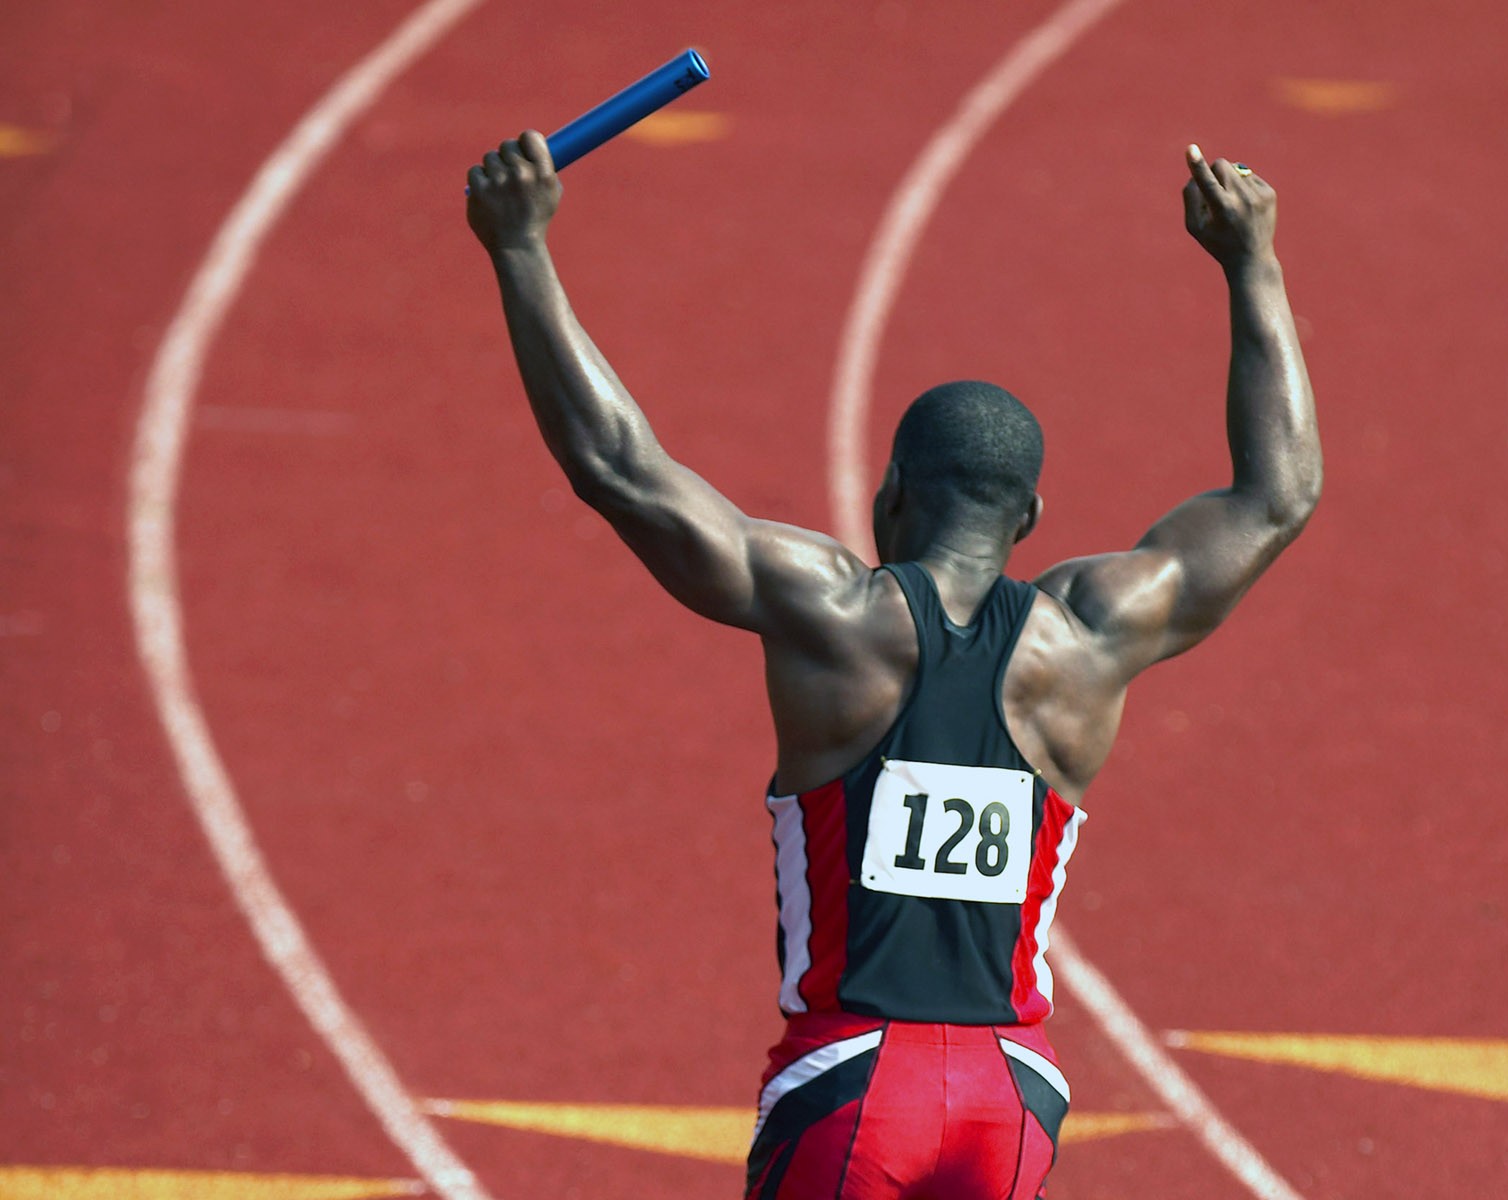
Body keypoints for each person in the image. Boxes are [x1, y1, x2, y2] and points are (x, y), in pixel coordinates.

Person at [466, 130, 1321, 1200]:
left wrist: (520, 249)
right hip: (1014, 1091)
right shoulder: (1094, 635)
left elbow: (619, 468)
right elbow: (1274, 498)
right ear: (1033, 516)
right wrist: (1254, 262)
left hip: (851, 1079)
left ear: (891, 496)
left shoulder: (838, 612)